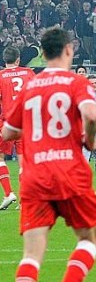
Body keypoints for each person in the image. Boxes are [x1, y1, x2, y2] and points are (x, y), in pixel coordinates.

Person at [2, 26, 96, 282]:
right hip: (70, 172)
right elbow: (91, 113)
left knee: (32, 253)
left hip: (33, 178)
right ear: (69, 50)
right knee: (89, 238)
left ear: (41, 54)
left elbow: (7, 133)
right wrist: (88, 138)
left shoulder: (30, 86)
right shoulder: (77, 82)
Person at [0, 46, 35, 210]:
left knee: (0, 158)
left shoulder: (0, 76)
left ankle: (8, 193)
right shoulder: (28, 73)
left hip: (7, 122)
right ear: (18, 59)